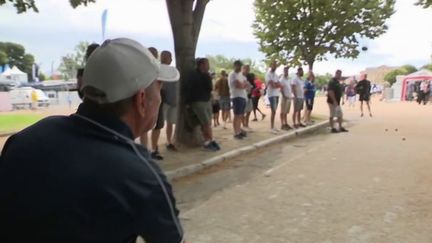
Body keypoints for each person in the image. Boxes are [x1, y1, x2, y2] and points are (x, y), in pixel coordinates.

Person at [0, 38, 184, 243]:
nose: (160, 96)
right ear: (141, 100)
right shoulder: (140, 174)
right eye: (159, 88)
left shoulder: (27, 138)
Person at [184, 58, 221, 151]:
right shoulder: (194, 75)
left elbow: (209, 89)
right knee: (205, 123)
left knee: (207, 122)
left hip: (206, 100)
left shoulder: (204, 75)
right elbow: (190, 88)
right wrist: (188, 102)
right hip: (198, 101)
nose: (208, 66)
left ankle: (210, 140)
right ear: (201, 65)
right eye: (207, 64)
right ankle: (208, 141)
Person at [150, 51, 180, 159]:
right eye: (169, 57)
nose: (171, 59)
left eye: (171, 57)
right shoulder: (157, 69)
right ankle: (154, 148)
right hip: (162, 102)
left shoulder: (173, 71)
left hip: (173, 101)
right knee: (157, 125)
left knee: (170, 123)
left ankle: (168, 142)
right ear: (163, 57)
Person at [140, 47, 159, 149]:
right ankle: (144, 148)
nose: (154, 55)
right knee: (144, 127)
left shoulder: (157, 68)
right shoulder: (142, 67)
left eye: (155, 54)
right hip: (144, 100)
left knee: (153, 125)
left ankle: (152, 148)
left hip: (155, 100)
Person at [228, 60, 248, 139]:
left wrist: (243, 84)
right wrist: (243, 84)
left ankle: (239, 131)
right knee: (237, 115)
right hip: (236, 96)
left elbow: (245, 84)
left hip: (242, 96)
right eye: (238, 66)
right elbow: (238, 85)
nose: (239, 67)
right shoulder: (232, 74)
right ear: (235, 66)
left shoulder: (239, 74)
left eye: (240, 66)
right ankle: (236, 132)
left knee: (240, 115)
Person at [265, 61, 281, 134]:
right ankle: (271, 127)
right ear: (271, 66)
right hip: (271, 94)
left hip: (277, 94)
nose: (274, 67)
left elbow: (279, 84)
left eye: (275, 65)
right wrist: (276, 84)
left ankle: (273, 126)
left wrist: (276, 84)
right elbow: (272, 85)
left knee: (274, 111)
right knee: (273, 111)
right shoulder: (268, 74)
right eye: (273, 65)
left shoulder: (276, 75)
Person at [279, 66, 293, 130]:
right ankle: (282, 124)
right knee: (282, 111)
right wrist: (284, 96)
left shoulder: (288, 79)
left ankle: (286, 123)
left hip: (288, 97)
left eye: (287, 71)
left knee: (286, 111)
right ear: (283, 71)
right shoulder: (281, 79)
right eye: (286, 71)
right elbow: (281, 89)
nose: (287, 72)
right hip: (284, 97)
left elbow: (289, 88)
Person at [242, 64, 255, 131]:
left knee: (249, 111)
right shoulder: (240, 76)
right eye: (246, 68)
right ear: (243, 68)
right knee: (242, 112)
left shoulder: (250, 76)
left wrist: (251, 88)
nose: (247, 70)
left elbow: (253, 85)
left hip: (249, 95)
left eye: (248, 69)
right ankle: (244, 125)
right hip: (243, 96)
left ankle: (247, 124)